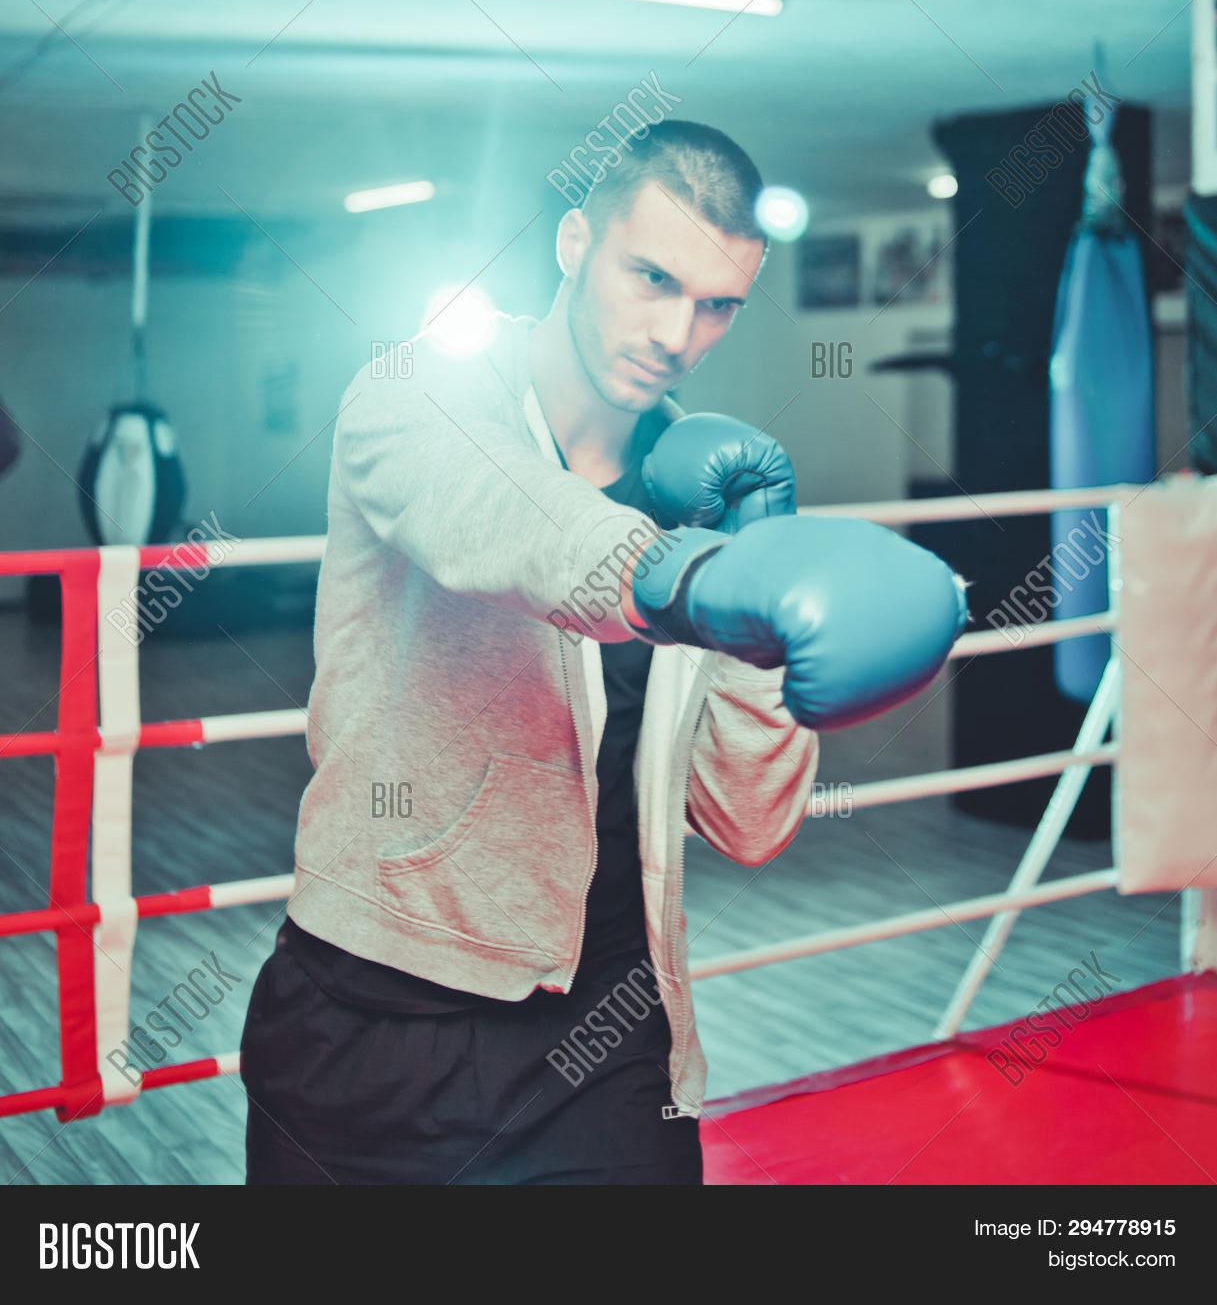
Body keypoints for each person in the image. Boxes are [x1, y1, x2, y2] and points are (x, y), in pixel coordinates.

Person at [240, 120, 966, 1185]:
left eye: (716, 304)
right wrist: (692, 581)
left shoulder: (702, 495)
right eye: (651, 277)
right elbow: (503, 520)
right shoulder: (414, 393)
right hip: (374, 1016)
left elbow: (751, 822)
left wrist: (754, 607)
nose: (676, 332)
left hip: (610, 1041)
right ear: (574, 243)